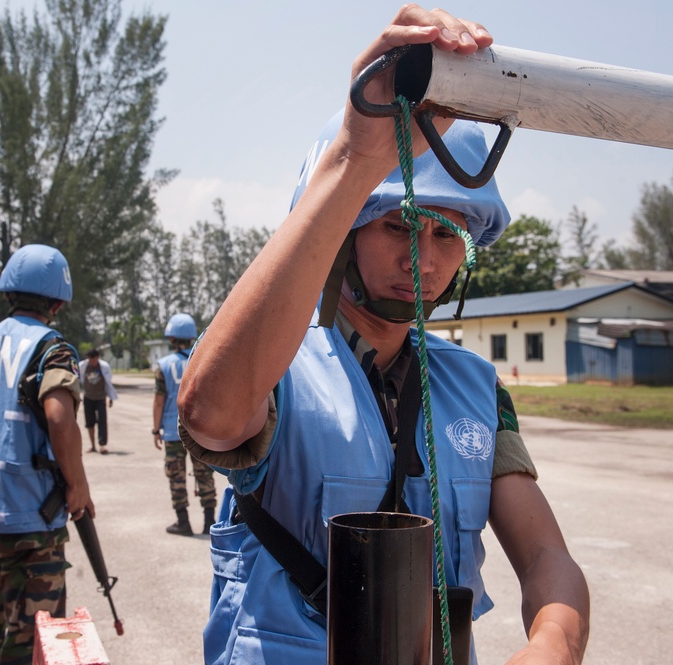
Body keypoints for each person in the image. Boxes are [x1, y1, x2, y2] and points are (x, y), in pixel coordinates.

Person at [177, 6, 590, 664]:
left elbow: (546, 555)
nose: (423, 260)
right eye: (399, 225)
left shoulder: (477, 389)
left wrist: (556, 641)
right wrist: (355, 159)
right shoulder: (276, 361)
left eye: (447, 234)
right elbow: (211, 412)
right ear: (341, 233)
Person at [0, 244, 95, 665]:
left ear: (7, 292)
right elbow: (60, 420)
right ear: (59, 301)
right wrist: (78, 484)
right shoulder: (52, 348)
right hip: (30, 519)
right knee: (31, 639)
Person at [153, 313, 217, 536]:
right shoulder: (203, 360)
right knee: (204, 474)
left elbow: (159, 401)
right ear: (191, 338)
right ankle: (210, 520)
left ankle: (183, 522)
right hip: (199, 429)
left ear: (171, 339)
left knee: (176, 476)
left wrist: (155, 429)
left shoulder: (163, 365)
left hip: (172, 432)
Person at [78, 348, 118, 454]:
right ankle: (92, 446)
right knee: (89, 423)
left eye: (94, 359)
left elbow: (108, 383)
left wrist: (110, 398)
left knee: (102, 422)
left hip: (101, 398)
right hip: (88, 397)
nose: (92, 362)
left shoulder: (104, 367)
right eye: (90, 360)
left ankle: (102, 445)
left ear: (97, 357)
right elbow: (79, 380)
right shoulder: (82, 366)